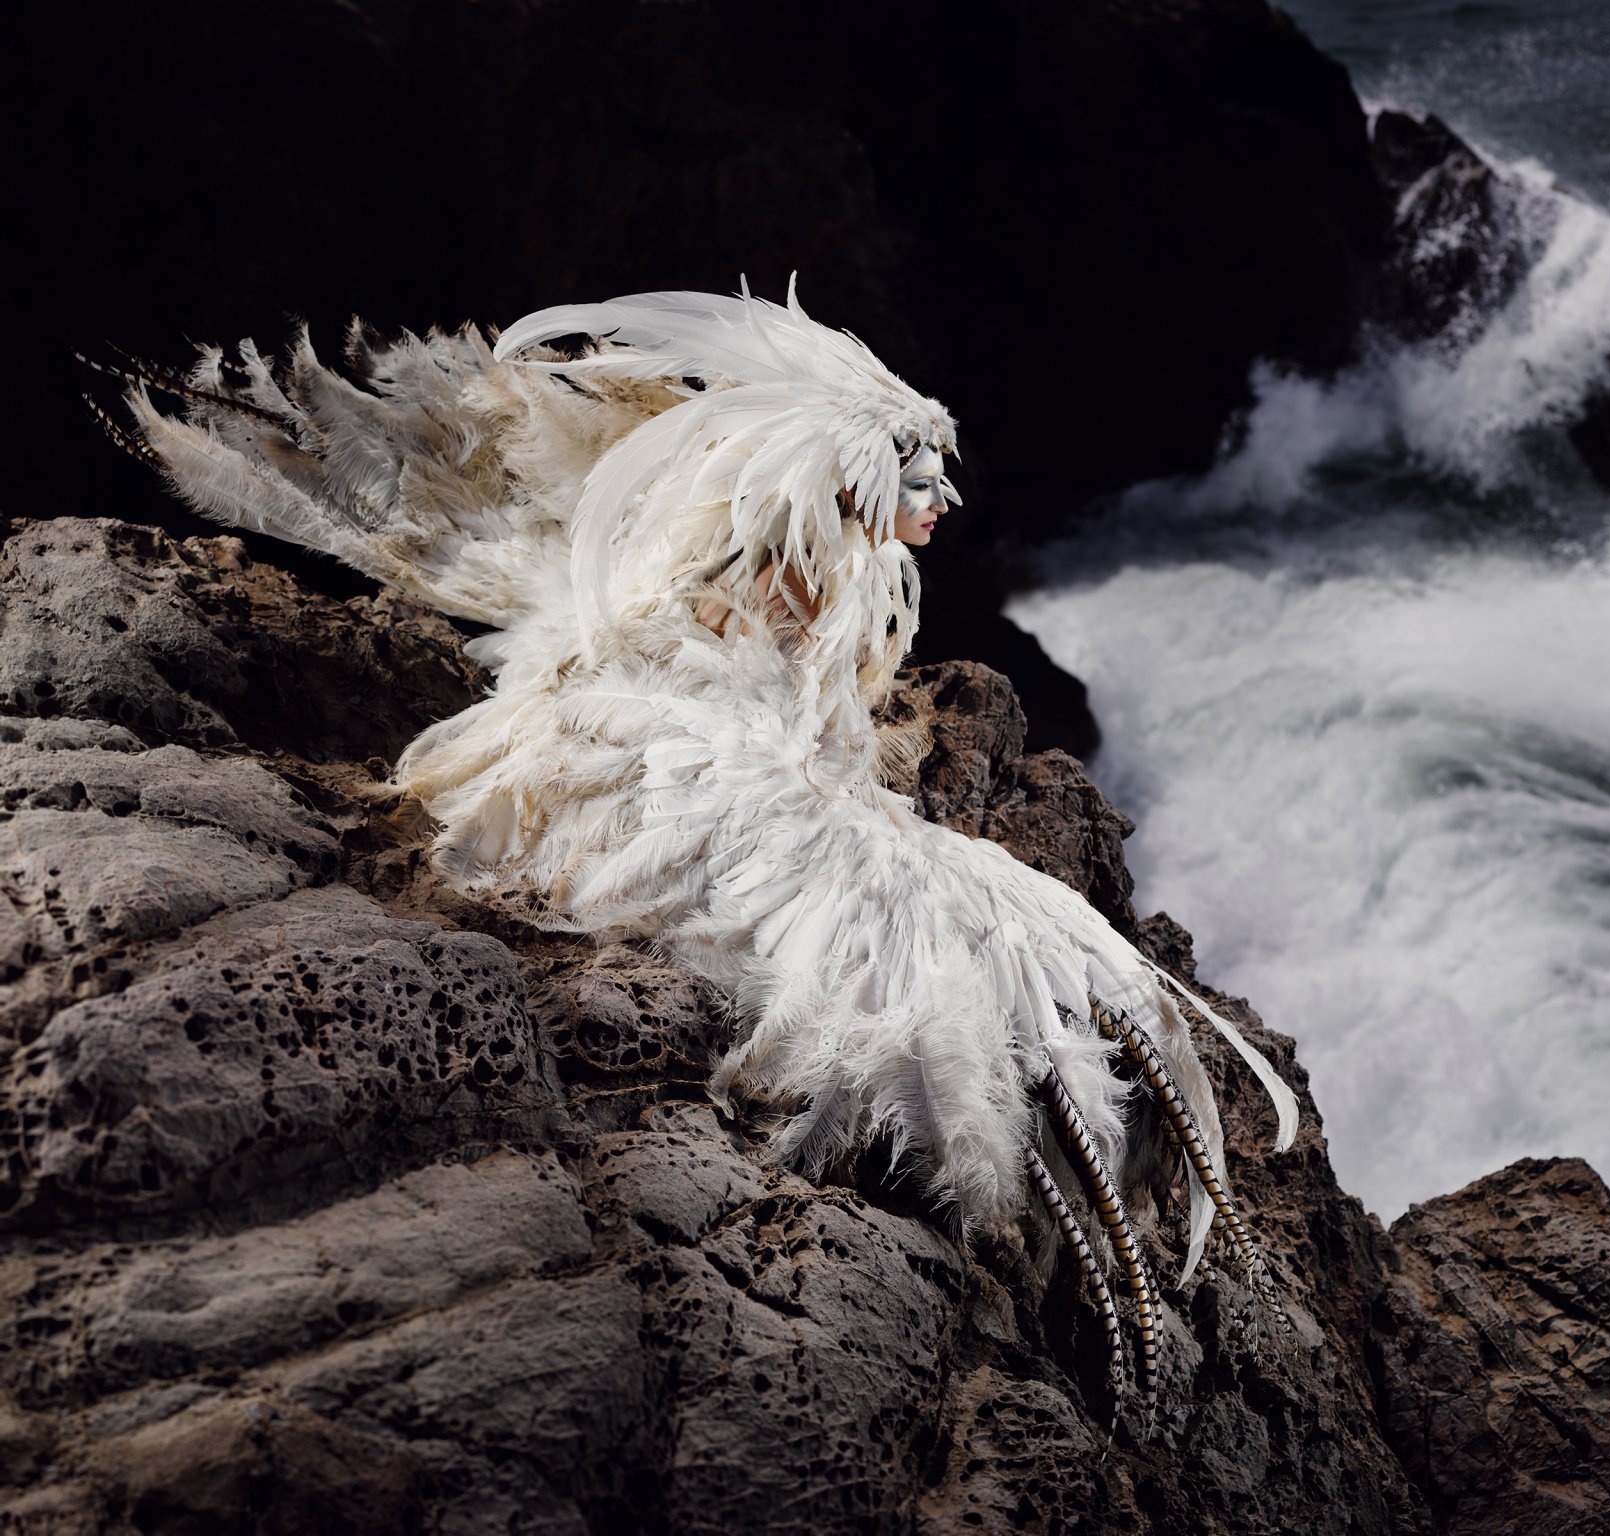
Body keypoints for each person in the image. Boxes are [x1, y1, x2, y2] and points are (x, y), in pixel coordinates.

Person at [90, 280, 1298, 1411]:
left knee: (967, 910)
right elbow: (733, 701)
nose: (940, 505)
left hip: (733, 721)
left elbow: (815, 698)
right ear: (841, 490)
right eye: (915, 480)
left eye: (937, 477)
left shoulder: (821, 570)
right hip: (688, 735)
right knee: (927, 929)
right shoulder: (759, 591)